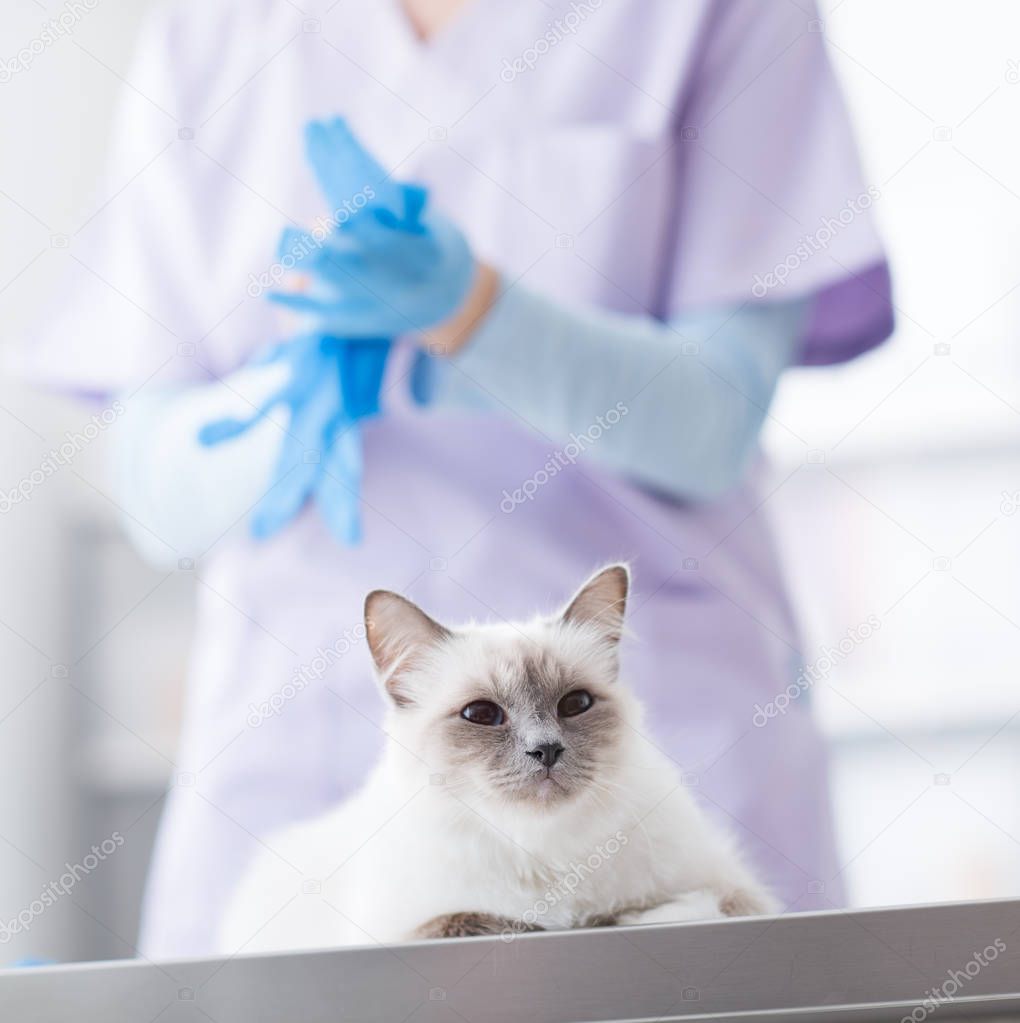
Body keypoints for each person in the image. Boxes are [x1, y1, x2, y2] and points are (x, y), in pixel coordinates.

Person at [18, 0, 893, 958]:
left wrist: (474, 318)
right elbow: (152, 488)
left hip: (653, 773)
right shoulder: (208, 31)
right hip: (291, 757)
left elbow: (713, 417)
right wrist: (295, 396)